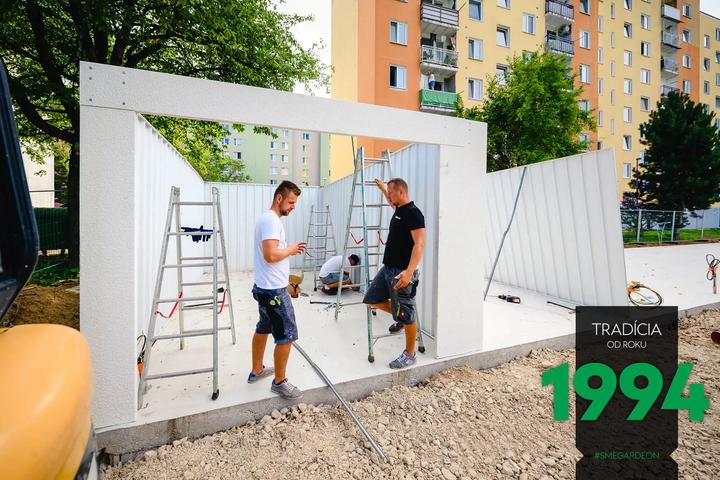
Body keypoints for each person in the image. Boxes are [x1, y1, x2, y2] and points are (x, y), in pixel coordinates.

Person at [248, 180, 306, 398]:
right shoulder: (271, 221)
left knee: (264, 327)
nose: (293, 207)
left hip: (266, 287)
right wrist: (291, 249)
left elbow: (272, 254)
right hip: (273, 292)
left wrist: (287, 282)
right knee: (286, 335)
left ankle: (257, 370)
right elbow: (270, 255)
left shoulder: (268, 219)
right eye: (291, 202)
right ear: (279, 198)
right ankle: (280, 382)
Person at [363, 178, 426, 369]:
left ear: (401, 192)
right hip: (388, 268)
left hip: (402, 272)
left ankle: (410, 354)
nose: (388, 197)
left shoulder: (413, 213)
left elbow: (419, 244)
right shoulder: (399, 210)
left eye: (391, 193)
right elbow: (392, 202)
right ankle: (401, 316)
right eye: (388, 194)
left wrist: (409, 272)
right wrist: (383, 189)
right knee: (372, 299)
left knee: (407, 314)